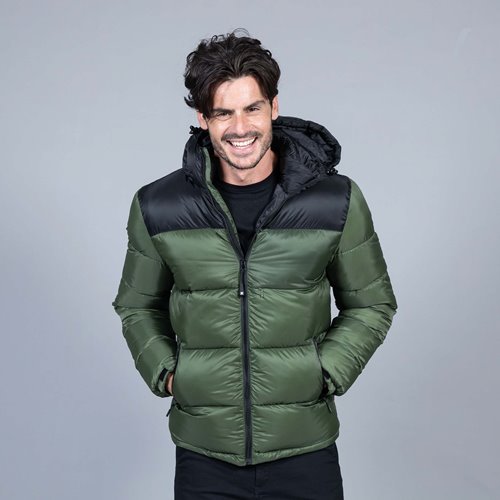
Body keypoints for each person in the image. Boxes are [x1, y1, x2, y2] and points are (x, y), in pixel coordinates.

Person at [112, 29, 398, 500]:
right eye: (223, 112)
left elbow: (372, 303)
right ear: (203, 118)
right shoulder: (159, 205)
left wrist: (324, 372)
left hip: (306, 450)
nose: (240, 128)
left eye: (252, 108)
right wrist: (169, 373)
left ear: (274, 107)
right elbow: (136, 305)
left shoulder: (335, 201)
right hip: (205, 455)